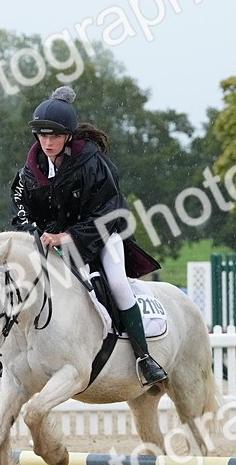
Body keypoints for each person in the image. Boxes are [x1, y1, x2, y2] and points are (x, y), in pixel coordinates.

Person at [9, 86, 167, 387]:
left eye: (54, 135)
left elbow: (111, 212)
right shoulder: (29, 173)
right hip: (53, 242)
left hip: (102, 236)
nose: (47, 142)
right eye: (42, 135)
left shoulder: (92, 164)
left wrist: (67, 236)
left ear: (68, 136)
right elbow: (20, 206)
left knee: (119, 284)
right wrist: (36, 232)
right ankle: (18, 359)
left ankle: (144, 357)